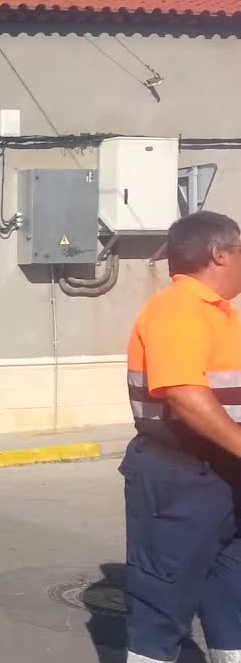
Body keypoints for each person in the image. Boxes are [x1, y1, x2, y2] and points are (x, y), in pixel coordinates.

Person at [122, 210, 241, 663]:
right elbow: (185, 396)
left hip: (223, 477)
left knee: (229, 600)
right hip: (182, 479)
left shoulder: (221, 314)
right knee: (162, 607)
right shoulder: (176, 309)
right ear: (218, 253)